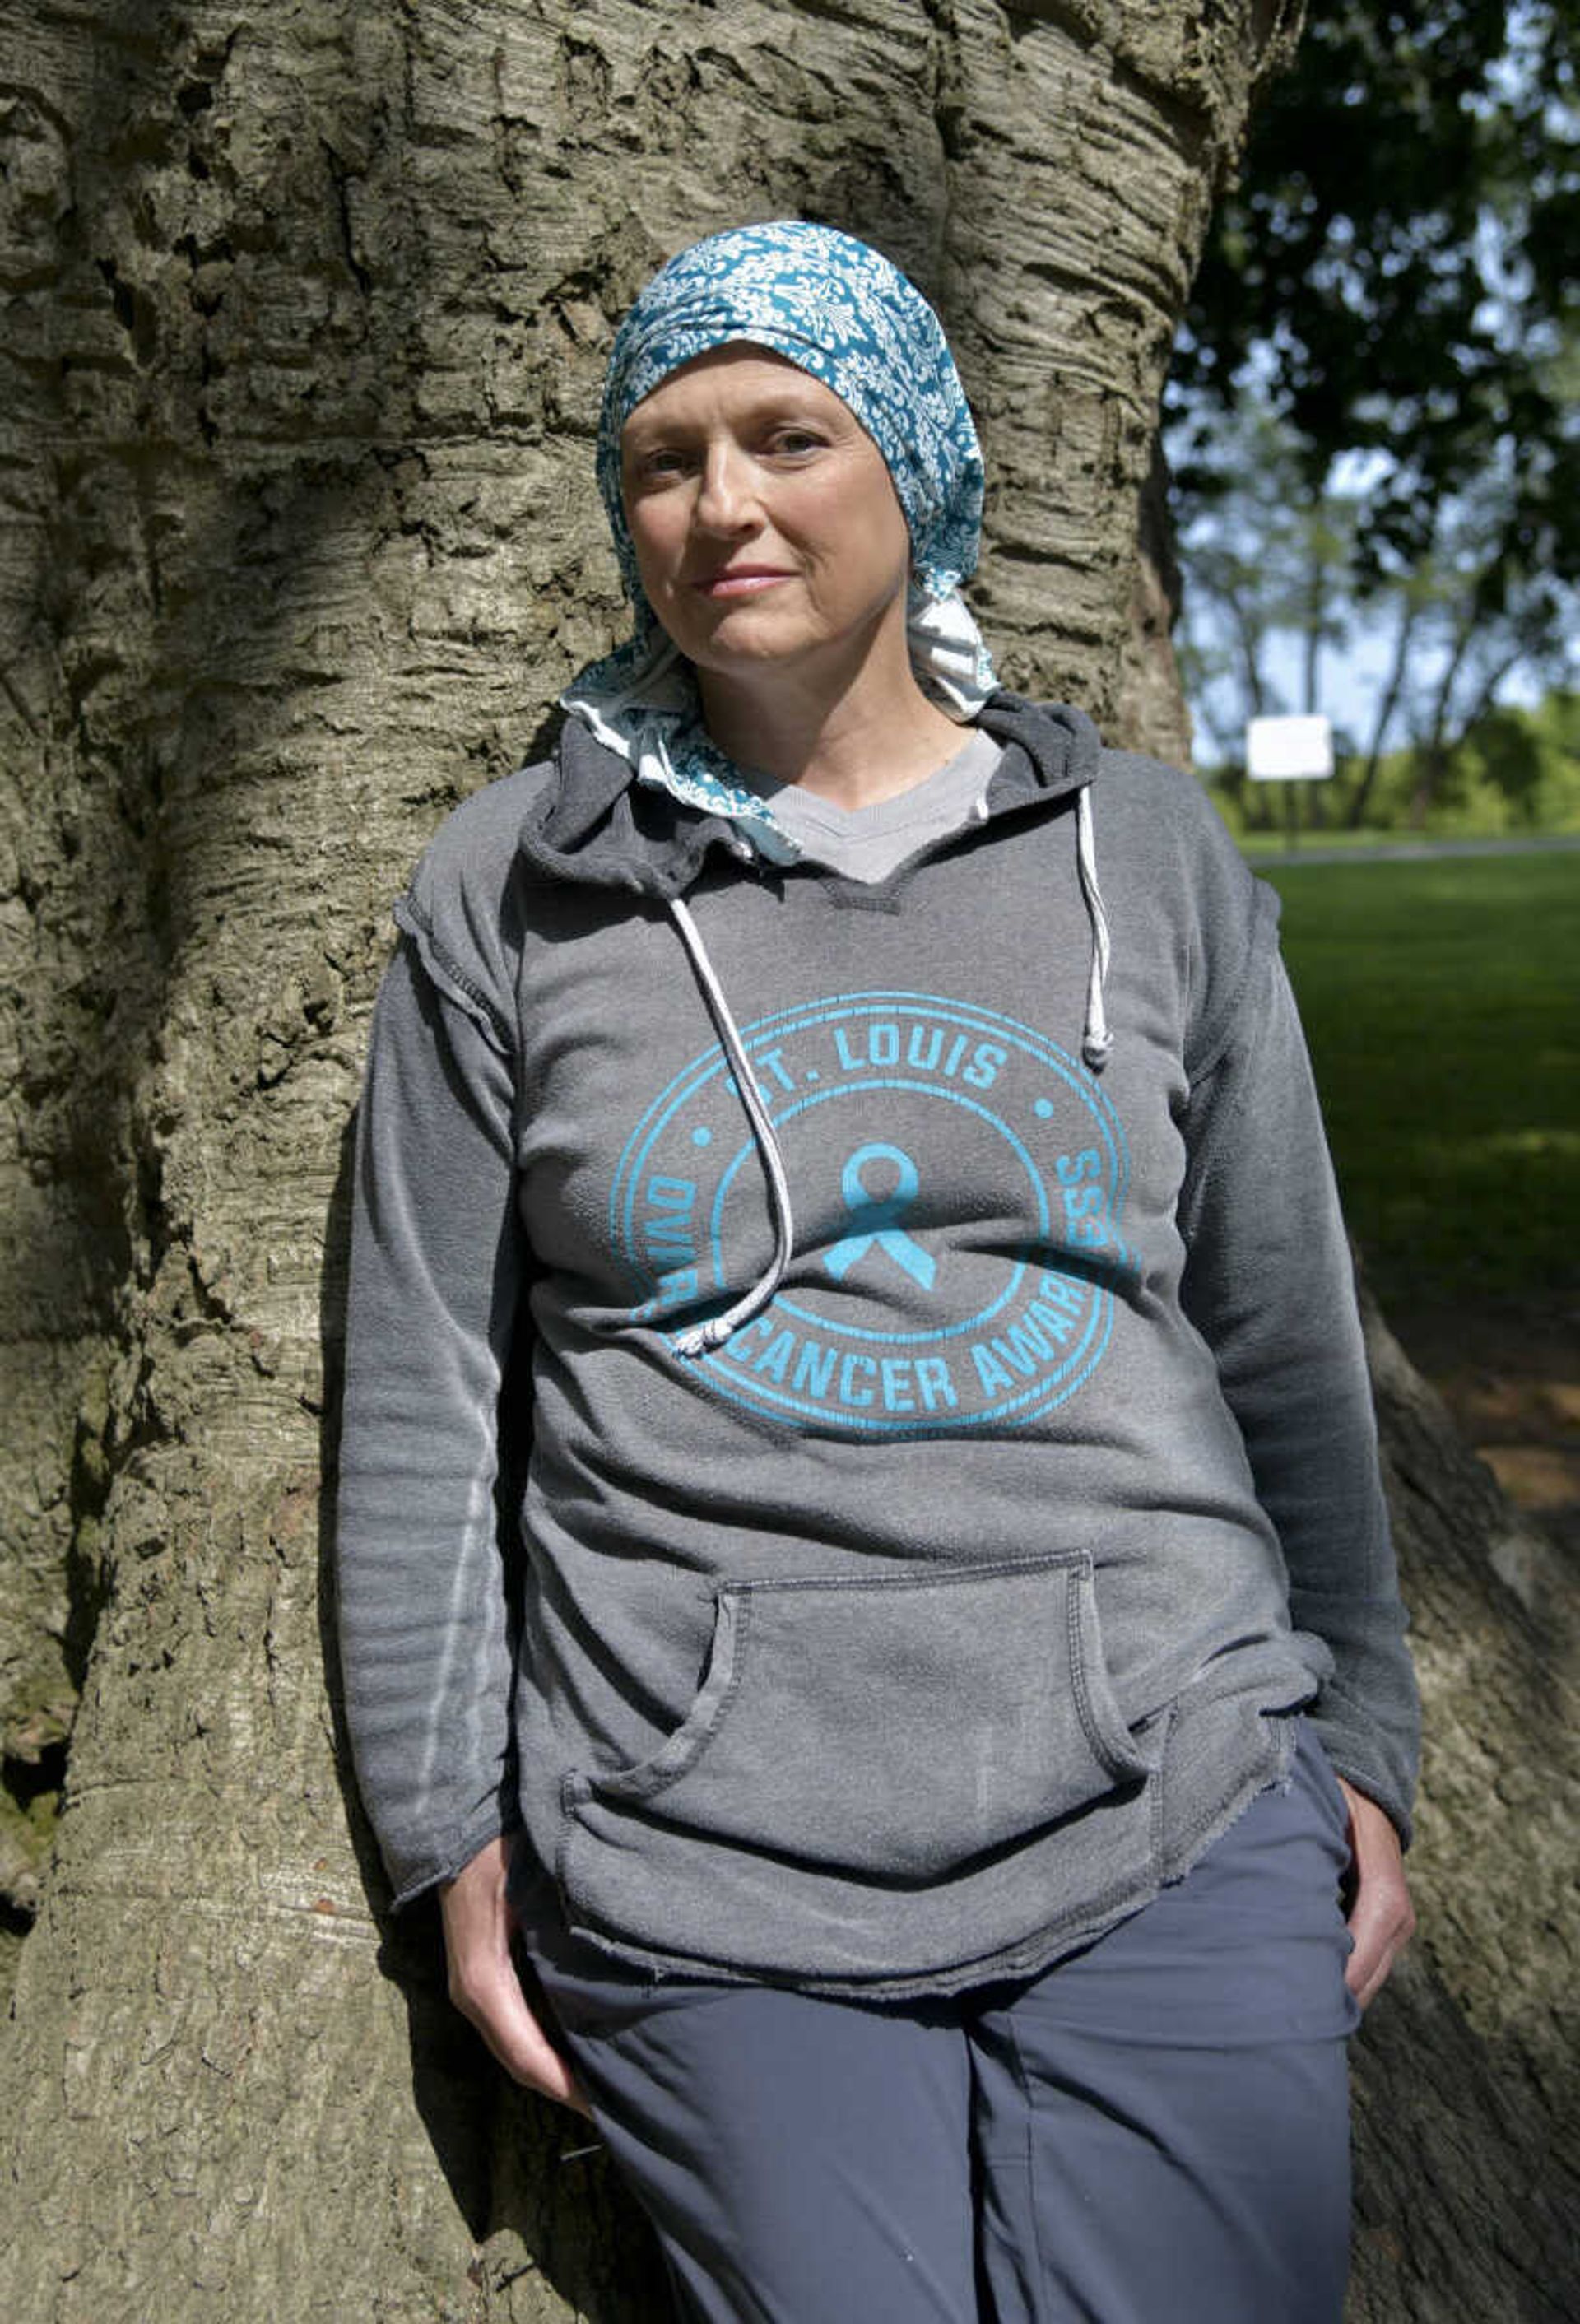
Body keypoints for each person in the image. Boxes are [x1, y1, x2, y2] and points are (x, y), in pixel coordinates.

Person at [337, 221, 1419, 2322]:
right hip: (701, 1844)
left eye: (783, 436)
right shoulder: (518, 891)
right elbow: (425, 1389)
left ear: (911, 463)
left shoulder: (1144, 848)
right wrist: (448, 1840)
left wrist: (1360, 1733)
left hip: (1173, 1786)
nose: (718, 503)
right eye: (661, 460)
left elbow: (1286, 1332)